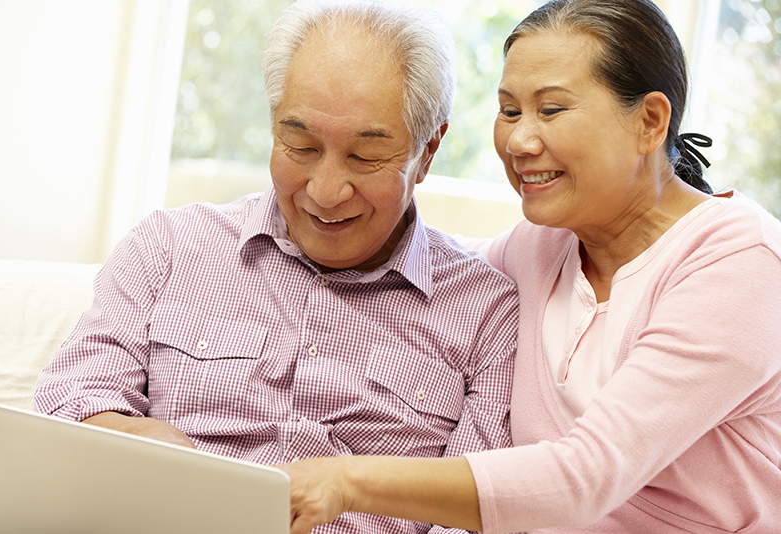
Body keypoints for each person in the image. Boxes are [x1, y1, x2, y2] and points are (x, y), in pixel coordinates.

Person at [281, 0, 781, 532]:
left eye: (552, 109)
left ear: (649, 122)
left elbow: (584, 477)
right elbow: (437, 270)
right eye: (510, 110)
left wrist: (345, 482)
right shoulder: (542, 246)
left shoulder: (742, 264)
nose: (519, 141)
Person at [34, 1, 520, 533]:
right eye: (301, 146)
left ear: (428, 151)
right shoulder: (169, 247)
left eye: (364, 157)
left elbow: (481, 513)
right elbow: (73, 398)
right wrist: (126, 435)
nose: (325, 192)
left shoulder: (487, 315)